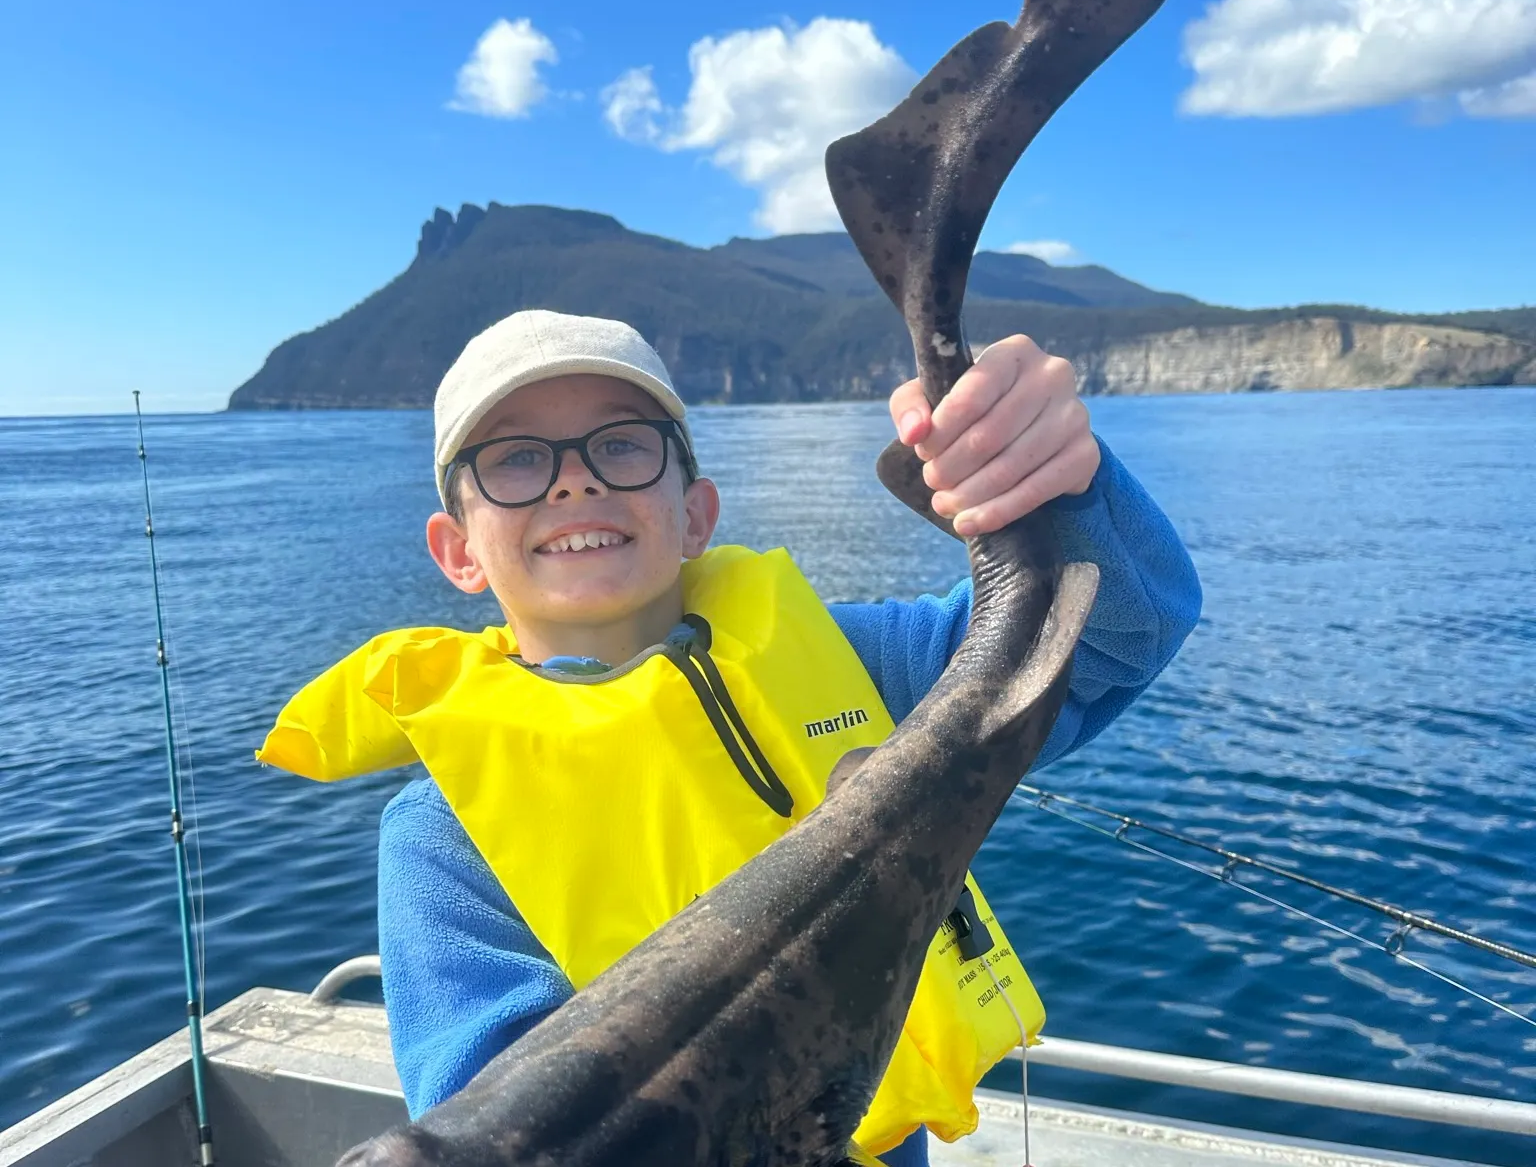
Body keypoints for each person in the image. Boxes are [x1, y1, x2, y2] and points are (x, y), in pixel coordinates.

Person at [258, 309, 1201, 1165]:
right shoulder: (440, 834)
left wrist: (1051, 486)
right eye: (514, 460)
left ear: (696, 514)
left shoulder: (861, 661)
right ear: (458, 549)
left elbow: (1116, 634)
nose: (575, 476)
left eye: (622, 446)